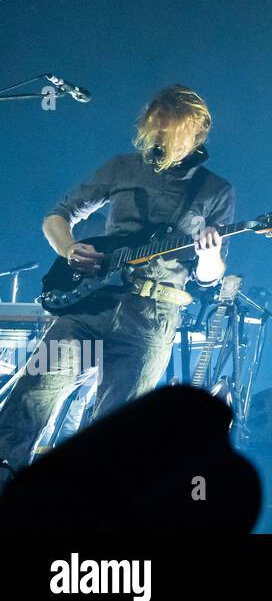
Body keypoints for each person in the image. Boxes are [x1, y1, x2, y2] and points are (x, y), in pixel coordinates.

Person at [0, 85, 234, 474]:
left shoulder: (215, 191)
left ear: (196, 132)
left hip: (152, 318)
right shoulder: (122, 167)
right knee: (32, 394)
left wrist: (210, 254)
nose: (159, 140)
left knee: (116, 430)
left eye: (169, 131)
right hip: (89, 308)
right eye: (154, 130)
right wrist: (69, 248)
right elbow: (56, 216)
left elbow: (209, 279)